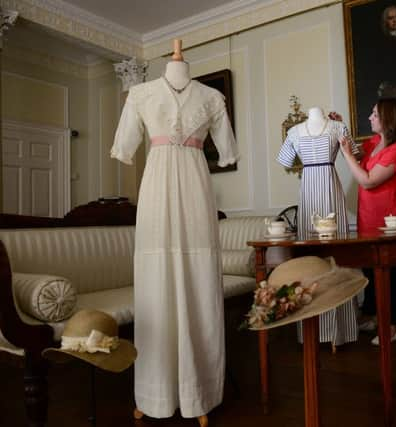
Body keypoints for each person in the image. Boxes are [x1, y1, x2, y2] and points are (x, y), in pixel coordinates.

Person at [110, 39, 238, 427]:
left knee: (199, 277)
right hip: (157, 188)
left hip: (197, 188)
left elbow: (227, 148)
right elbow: (125, 145)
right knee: (157, 280)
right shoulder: (140, 93)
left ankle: (199, 388)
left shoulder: (212, 98)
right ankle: (157, 390)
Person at [276, 106, 361, 350]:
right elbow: (284, 160)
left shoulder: (337, 127)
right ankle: (312, 328)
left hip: (331, 188)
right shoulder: (294, 131)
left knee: (337, 255)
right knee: (309, 257)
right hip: (308, 191)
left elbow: (353, 154)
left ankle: (340, 329)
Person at [333, 98, 396, 345]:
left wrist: (345, 155)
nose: (370, 117)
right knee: (371, 273)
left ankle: (392, 327)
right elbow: (356, 149)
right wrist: (341, 127)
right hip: (367, 219)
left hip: (389, 224)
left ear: (387, 118)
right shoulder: (375, 143)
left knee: (391, 276)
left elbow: (367, 180)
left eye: (374, 114)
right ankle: (376, 319)